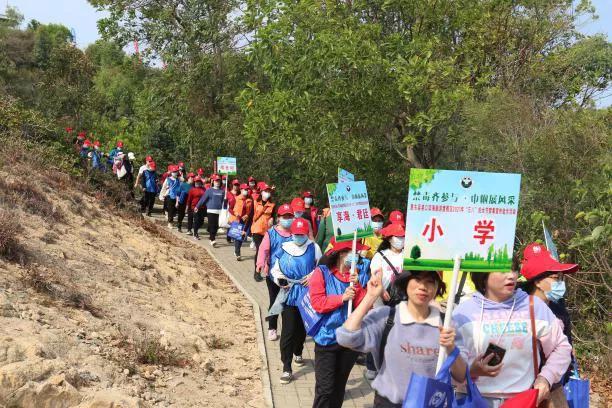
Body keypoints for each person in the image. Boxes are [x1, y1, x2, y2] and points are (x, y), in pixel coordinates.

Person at [337, 269, 465, 407]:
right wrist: (370, 296)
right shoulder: (386, 317)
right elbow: (346, 337)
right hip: (389, 403)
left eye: (430, 281)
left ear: (437, 288)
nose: (422, 286)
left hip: (430, 403)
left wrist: (451, 348)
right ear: (405, 282)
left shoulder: (447, 325)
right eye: (417, 279)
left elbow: (460, 375)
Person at [453, 261, 572, 407]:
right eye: (503, 270)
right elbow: (452, 362)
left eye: (514, 270)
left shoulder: (534, 307)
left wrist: (545, 378)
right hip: (472, 399)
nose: (511, 276)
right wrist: (471, 371)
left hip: (523, 401)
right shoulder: (463, 312)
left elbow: (561, 347)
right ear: (483, 275)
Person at [309, 239, 371, 408]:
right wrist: (341, 298)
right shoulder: (322, 273)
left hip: (349, 341)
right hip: (327, 339)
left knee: (338, 389)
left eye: (358, 253)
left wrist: (357, 285)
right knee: (325, 389)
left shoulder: (356, 275)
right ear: (341, 254)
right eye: (354, 252)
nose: (357, 256)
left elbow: (364, 306)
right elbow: (318, 303)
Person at [269, 218, 323, 384]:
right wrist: (280, 280)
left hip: (307, 294)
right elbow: (275, 269)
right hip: (289, 293)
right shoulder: (284, 248)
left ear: (306, 233)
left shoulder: (314, 248)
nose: (299, 236)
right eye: (296, 233)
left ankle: (298, 350)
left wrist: (313, 275)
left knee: (301, 329)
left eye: (302, 234)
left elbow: (322, 267)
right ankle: (286, 367)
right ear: (292, 233)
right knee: (288, 330)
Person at [519, 243, 580, 387]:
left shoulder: (560, 312)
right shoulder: (516, 310)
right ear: (538, 282)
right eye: (555, 278)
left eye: (561, 278)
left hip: (551, 386)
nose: (560, 283)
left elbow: (566, 351)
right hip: (521, 388)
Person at [362, 222, 406, 380]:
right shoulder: (380, 256)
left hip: (401, 300)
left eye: (403, 237)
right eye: (398, 237)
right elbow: (375, 276)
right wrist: (380, 290)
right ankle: (372, 366)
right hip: (381, 300)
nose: (401, 240)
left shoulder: (407, 255)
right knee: (378, 332)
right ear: (389, 239)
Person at [257, 203, 295, 340]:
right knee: (275, 301)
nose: (288, 219)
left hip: (290, 274)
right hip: (273, 274)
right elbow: (263, 249)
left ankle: (288, 330)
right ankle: (272, 328)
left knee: (288, 302)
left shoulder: (295, 233)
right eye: (285, 216)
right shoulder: (271, 233)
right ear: (278, 218)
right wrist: (260, 263)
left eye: (290, 216)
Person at [251, 183, 275, 282]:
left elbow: (274, 216)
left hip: (266, 231)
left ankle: (266, 269)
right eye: (265, 191)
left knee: (266, 251)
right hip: (256, 230)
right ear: (261, 192)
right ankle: (257, 272)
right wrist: (245, 229)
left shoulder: (273, 205)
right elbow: (251, 215)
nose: (267, 193)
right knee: (259, 249)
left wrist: (272, 220)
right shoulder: (256, 202)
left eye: (269, 192)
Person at [194, 174, 225, 245]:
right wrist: (197, 206)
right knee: (212, 225)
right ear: (213, 182)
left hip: (219, 211)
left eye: (219, 181)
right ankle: (212, 239)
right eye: (216, 181)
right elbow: (203, 199)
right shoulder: (209, 190)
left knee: (216, 226)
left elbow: (223, 201)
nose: (217, 182)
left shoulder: (222, 191)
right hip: (211, 210)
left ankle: (212, 236)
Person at [230, 183, 254, 261]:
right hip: (237, 220)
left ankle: (237, 249)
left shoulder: (250, 200)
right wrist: (235, 213)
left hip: (245, 220)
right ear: (241, 190)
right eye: (244, 189)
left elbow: (251, 211)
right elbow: (230, 209)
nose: (246, 191)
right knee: (237, 236)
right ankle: (238, 253)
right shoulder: (236, 198)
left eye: (247, 190)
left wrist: (247, 215)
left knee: (242, 237)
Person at [226, 179, 240, 243]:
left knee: (236, 224)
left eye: (237, 185)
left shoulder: (239, 194)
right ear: (232, 185)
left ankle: (234, 238)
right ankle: (229, 238)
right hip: (230, 211)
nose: (236, 186)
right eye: (235, 185)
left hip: (237, 211)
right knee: (230, 225)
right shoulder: (228, 193)